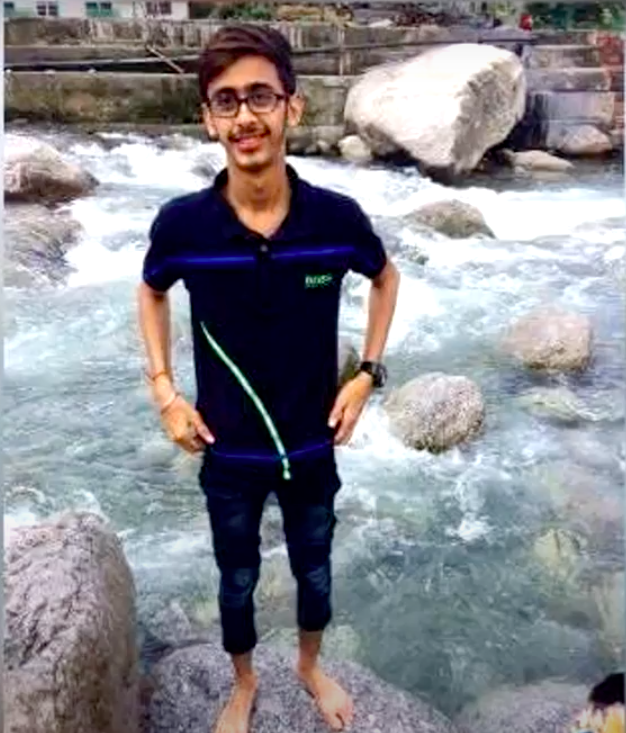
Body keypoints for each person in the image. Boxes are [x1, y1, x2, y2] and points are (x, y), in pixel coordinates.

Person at [137, 23, 400, 733]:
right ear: (207, 118)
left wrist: (367, 374)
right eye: (226, 101)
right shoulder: (183, 226)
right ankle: (244, 681)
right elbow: (152, 290)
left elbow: (386, 278)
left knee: (315, 567)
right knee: (237, 577)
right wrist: (164, 391)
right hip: (228, 451)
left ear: (293, 107)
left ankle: (311, 666)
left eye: (261, 96)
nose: (245, 116)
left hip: (312, 445)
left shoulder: (335, 220)